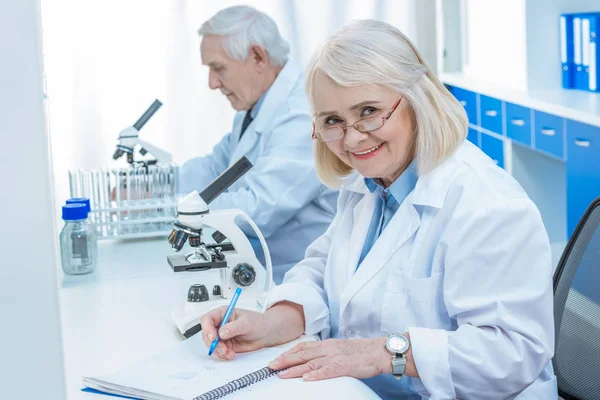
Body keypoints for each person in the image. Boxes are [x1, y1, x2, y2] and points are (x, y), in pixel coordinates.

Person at [199, 20, 557, 399]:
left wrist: (384, 353)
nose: (352, 138)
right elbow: (322, 272)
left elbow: (512, 354)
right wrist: (272, 322)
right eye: (333, 121)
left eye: (369, 111)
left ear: (415, 99)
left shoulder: (487, 205)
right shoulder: (369, 185)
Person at [178, 6, 337, 283]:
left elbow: (258, 209)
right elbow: (216, 166)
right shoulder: (255, 107)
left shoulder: (302, 114)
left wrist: (175, 208)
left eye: (218, 68)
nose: (212, 83)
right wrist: (154, 189)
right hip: (259, 267)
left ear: (257, 56)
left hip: (297, 279)